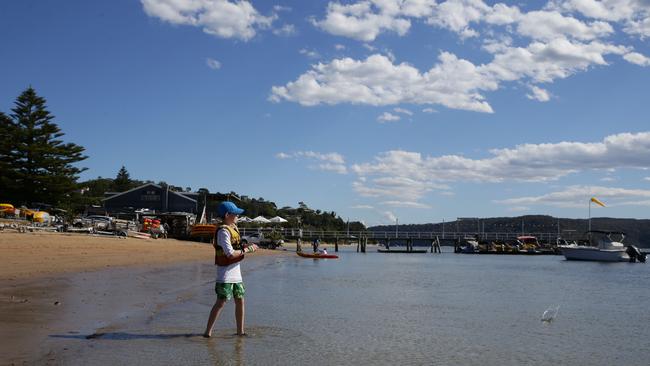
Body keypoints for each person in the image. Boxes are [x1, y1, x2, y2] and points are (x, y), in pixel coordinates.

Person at [204, 201, 257, 338]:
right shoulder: (223, 231)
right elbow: (229, 253)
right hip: (225, 274)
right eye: (236, 214)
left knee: (240, 300)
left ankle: (240, 331)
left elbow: (237, 248)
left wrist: (245, 247)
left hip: (236, 274)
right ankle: (207, 332)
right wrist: (249, 249)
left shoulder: (233, 227)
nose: (238, 217)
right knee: (221, 302)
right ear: (227, 215)